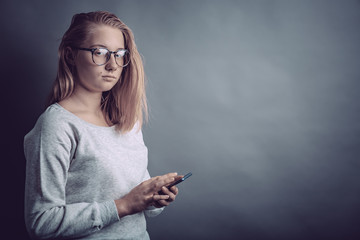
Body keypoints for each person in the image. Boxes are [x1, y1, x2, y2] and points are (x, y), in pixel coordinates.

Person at [24, 11, 181, 239]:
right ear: (70, 56)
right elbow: (41, 222)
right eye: (100, 52)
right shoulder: (56, 125)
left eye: (119, 54)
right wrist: (123, 206)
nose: (112, 65)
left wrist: (154, 197)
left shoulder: (127, 119)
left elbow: (138, 196)